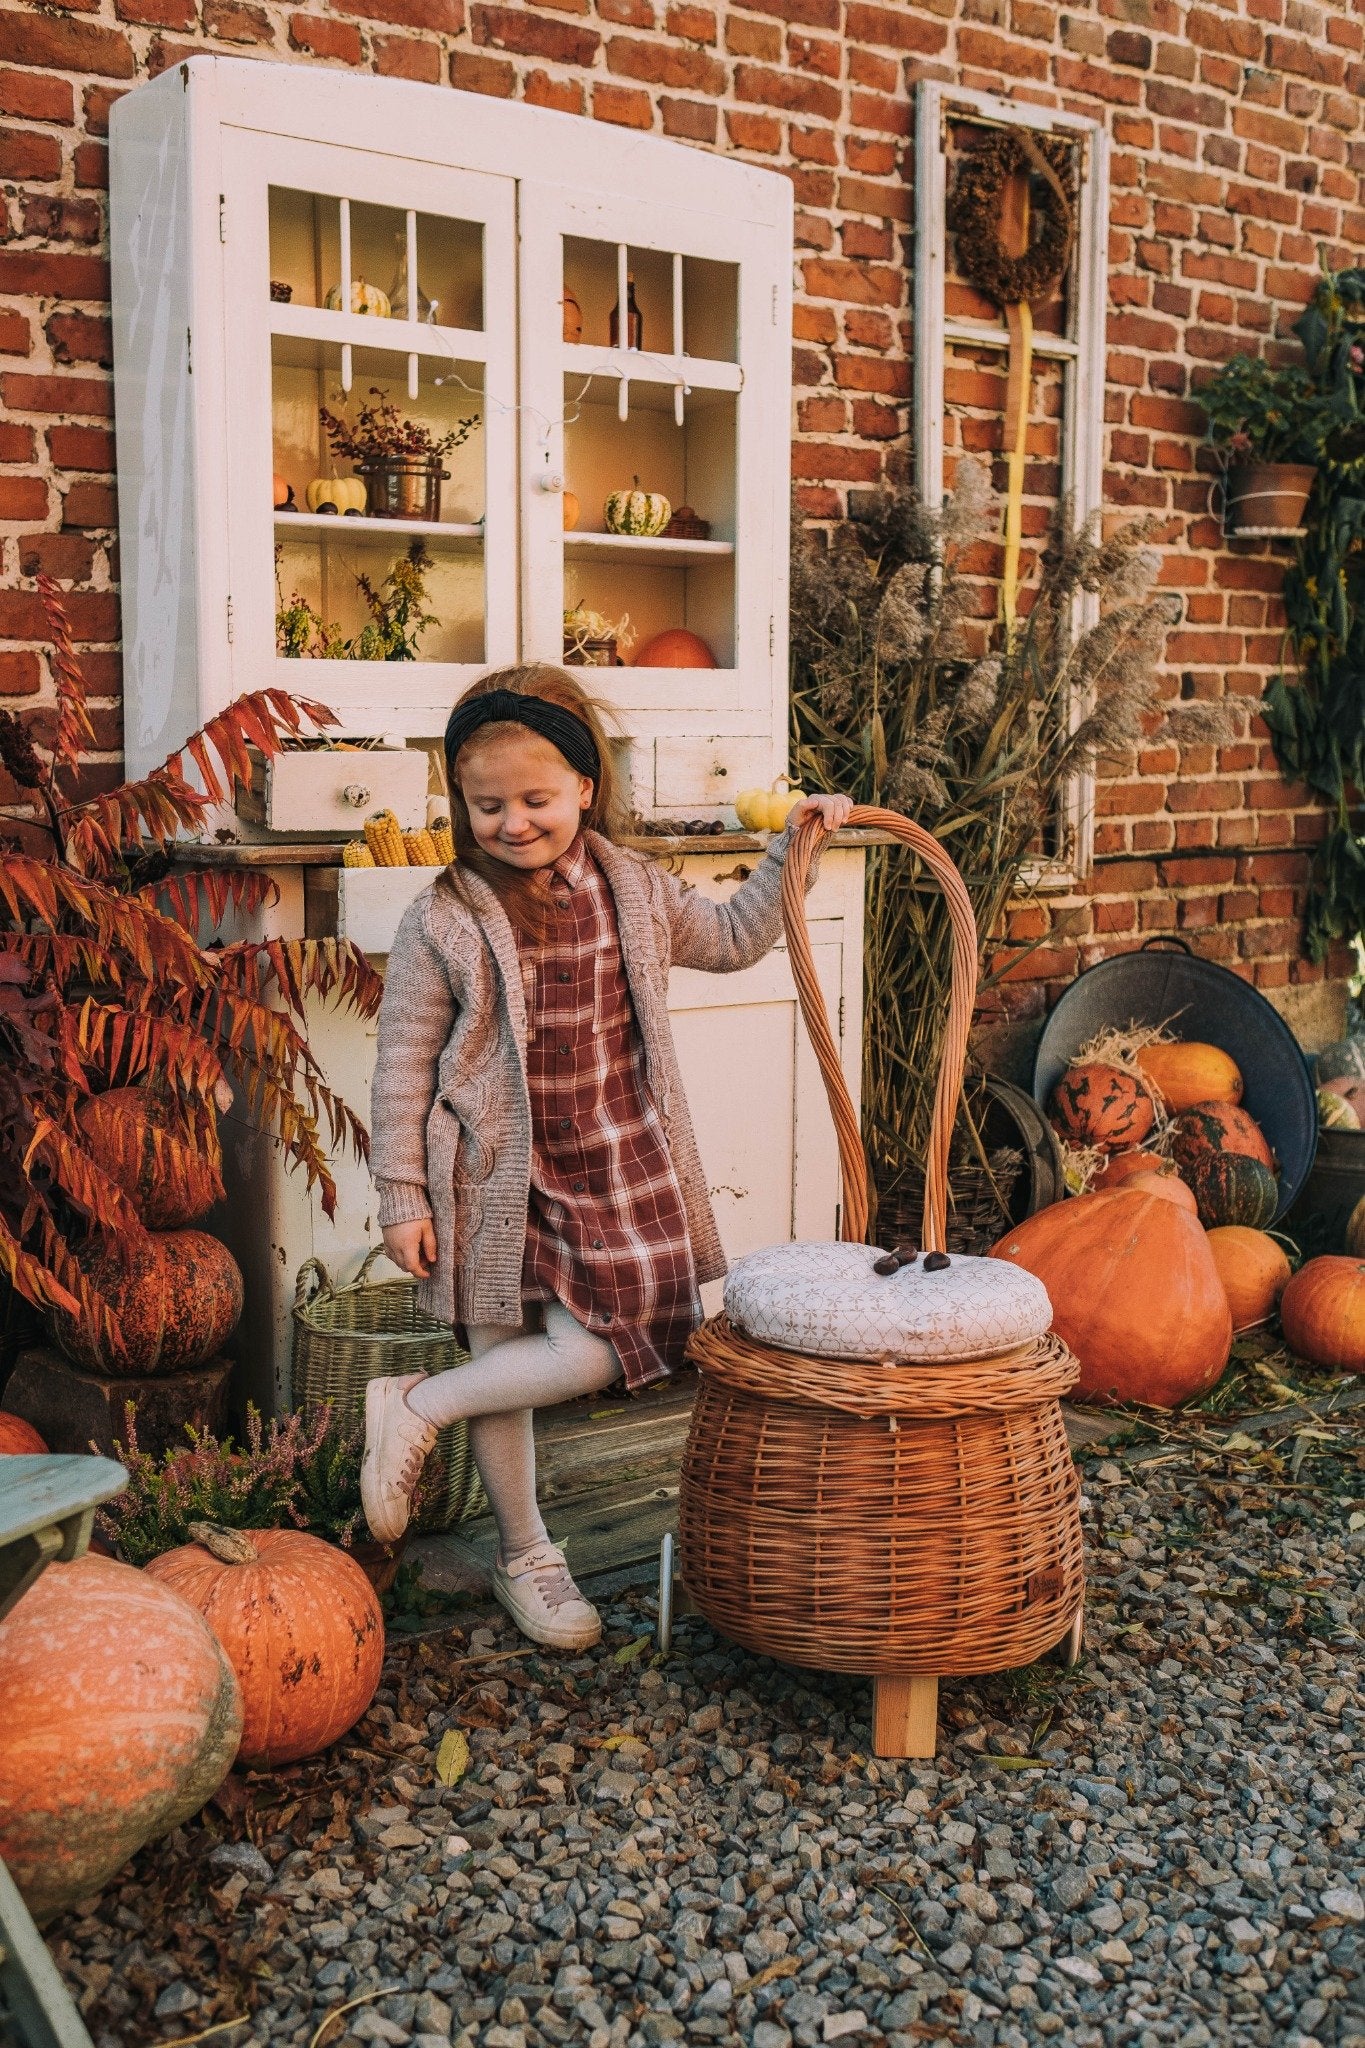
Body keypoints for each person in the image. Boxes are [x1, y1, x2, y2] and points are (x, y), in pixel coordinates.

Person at [361, 664, 852, 1649]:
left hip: (616, 1158)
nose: (512, 821)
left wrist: (789, 845)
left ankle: (415, 1404)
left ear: (586, 785)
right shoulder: (444, 914)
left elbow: (734, 937)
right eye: (486, 802)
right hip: (493, 1170)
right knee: (502, 1348)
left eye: (537, 799)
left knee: (620, 1340)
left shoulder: (633, 885)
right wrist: (401, 1195)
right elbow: (402, 1062)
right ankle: (526, 1554)